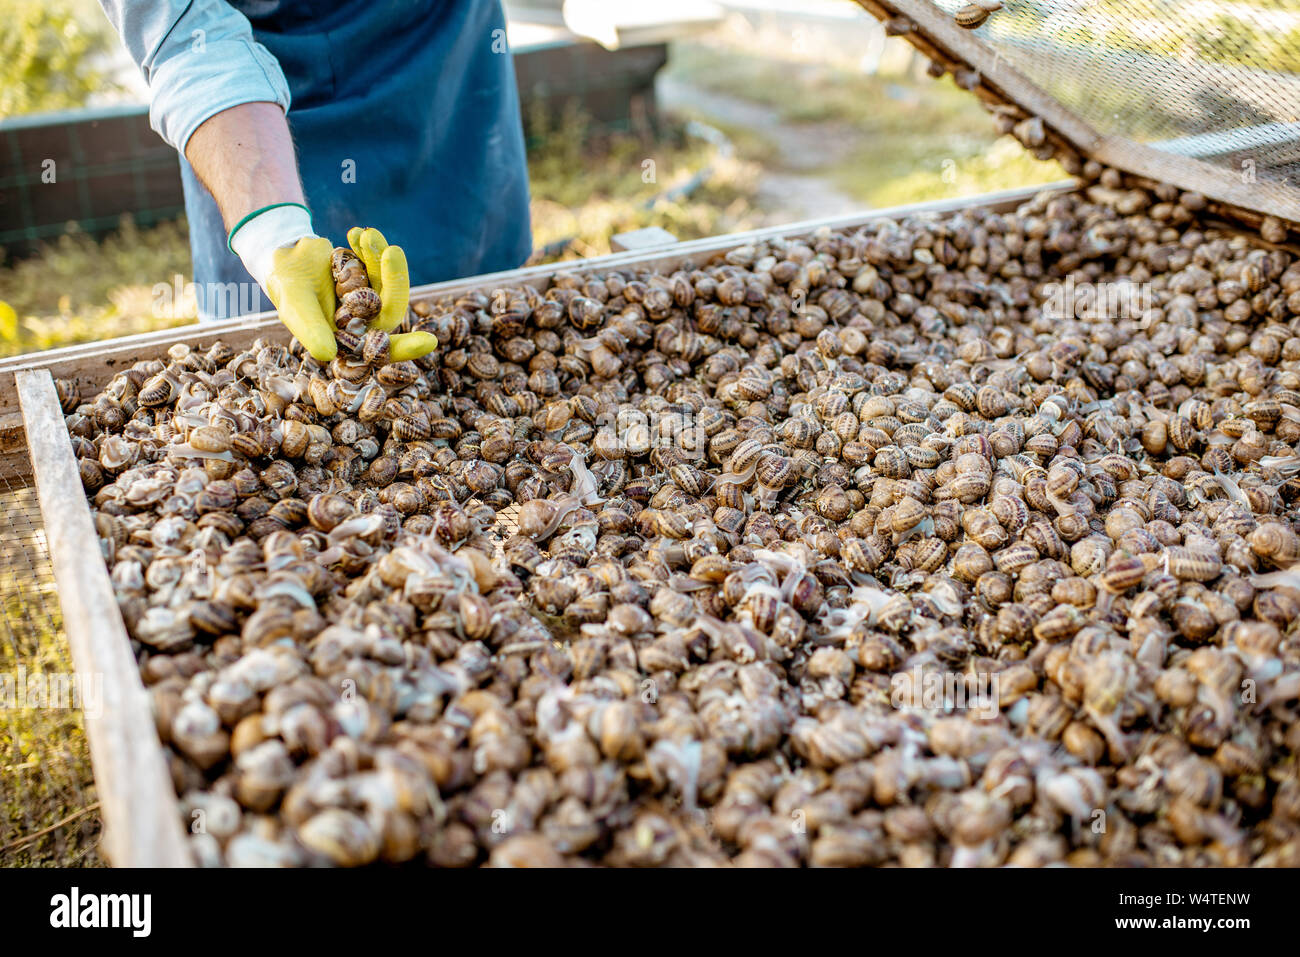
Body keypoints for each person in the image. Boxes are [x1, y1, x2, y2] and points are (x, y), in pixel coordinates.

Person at [98, 0, 533, 361]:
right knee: (275, 349)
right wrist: (274, 230)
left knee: (481, 323)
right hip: (258, 97)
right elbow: (187, 39)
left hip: (446, 55)